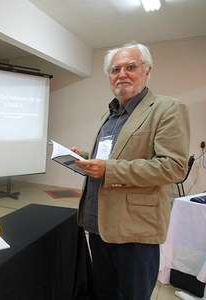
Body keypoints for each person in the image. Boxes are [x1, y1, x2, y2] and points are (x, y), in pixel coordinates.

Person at [72, 42, 190, 299]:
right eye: (115, 69)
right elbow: (112, 159)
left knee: (132, 295)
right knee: (104, 292)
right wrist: (85, 158)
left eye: (131, 67)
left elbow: (174, 167)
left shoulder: (167, 109)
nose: (122, 74)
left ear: (147, 71)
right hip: (98, 223)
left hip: (134, 229)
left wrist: (108, 169)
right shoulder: (110, 113)